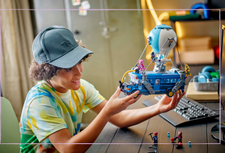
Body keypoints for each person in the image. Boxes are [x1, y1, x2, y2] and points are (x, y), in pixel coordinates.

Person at [19, 26, 185, 153]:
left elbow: (118, 118)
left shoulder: (81, 87)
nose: (79, 71)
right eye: (68, 67)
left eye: (79, 62)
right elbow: (69, 149)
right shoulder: (39, 102)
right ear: (47, 70)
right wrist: (106, 113)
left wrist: (158, 108)